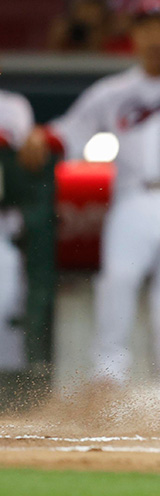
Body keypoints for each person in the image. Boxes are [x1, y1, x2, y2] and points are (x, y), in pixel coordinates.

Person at [18, 0, 160, 385]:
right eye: (145, 27)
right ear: (133, 35)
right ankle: (107, 384)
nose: (154, 36)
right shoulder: (113, 90)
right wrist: (40, 136)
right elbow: (69, 131)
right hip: (133, 199)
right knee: (116, 285)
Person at [0, 90, 34, 371]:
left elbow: (28, 158)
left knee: (8, 304)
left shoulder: (13, 106)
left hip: (4, 221)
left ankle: (10, 395)